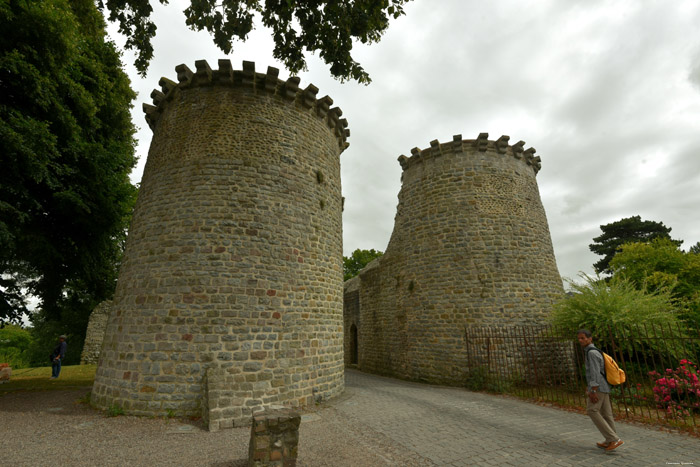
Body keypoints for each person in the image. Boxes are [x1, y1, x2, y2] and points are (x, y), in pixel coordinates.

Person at [577, 329, 623, 452]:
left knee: (592, 410)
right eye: (579, 338)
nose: (581, 340)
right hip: (603, 386)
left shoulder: (592, 353)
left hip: (599, 387)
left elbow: (595, 373)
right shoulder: (594, 351)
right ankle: (610, 440)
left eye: (583, 338)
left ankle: (613, 438)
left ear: (590, 339)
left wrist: (593, 390)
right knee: (606, 414)